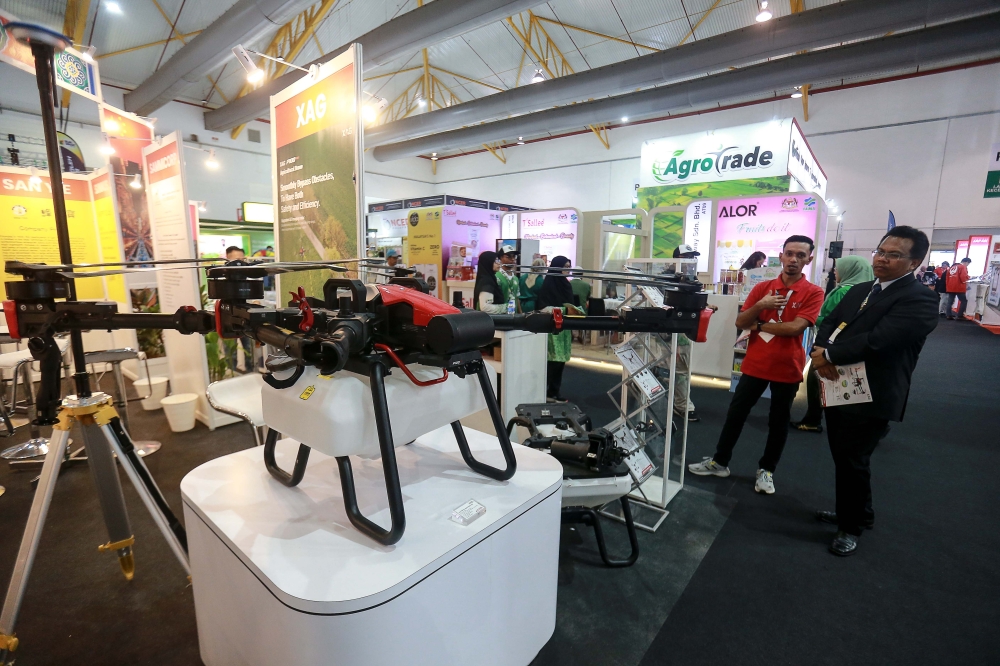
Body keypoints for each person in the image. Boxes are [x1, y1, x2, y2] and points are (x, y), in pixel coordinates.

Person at [811, 225, 938, 556]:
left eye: (893, 255)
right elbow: (829, 321)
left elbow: (880, 341)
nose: (882, 259)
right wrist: (819, 351)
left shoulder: (920, 298)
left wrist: (829, 356)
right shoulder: (862, 289)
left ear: (914, 262)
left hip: (873, 392)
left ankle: (850, 527)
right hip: (839, 385)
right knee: (845, 456)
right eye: (880, 252)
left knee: (854, 459)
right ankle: (858, 513)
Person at [688, 235, 824, 494]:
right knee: (735, 415)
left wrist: (759, 325)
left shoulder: (813, 292)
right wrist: (761, 305)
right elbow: (741, 323)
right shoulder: (763, 289)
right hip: (755, 364)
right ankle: (720, 462)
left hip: (788, 366)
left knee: (778, 423)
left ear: (809, 259)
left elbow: (795, 328)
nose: (793, 259)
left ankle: (767, 470)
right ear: (781, 256)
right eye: (789, 253)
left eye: (800, 255)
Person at [790, 255, 874, 433]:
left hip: (829, 345)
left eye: (838, 268)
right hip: (848, 346)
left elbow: (829, 320)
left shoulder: (843, 291)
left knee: (817, 382)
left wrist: (807, 317)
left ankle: (813, 420)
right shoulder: (870, 291)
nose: (835, 272)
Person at [535, 256, 582, 402]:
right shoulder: (548, 285)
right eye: (565, 267)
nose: (567, 270)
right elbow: (542, 307)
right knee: (551, 362)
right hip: (551, 329)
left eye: (569, 267)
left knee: (561, 362)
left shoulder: (566, 285)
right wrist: (564, 310)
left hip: (564, 328)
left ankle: (554, 391)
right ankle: (542, 391)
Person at [496, 245, 521, 312]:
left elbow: (517, 298)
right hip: (501, 315)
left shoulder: (515, 278)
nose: (512, 259)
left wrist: (520, 314)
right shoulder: (496, 276)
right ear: (501, 258)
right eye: (508, 256)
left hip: (514, 315)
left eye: (514, 256)